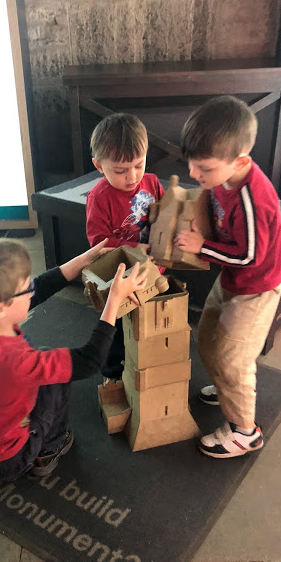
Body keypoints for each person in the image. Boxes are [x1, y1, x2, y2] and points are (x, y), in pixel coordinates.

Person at [0, 237, 148, 497]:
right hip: (10, 456)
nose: (32, 289)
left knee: (38, 368)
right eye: (25, 287)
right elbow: (88, 361)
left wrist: (83, 260)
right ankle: (46, 452)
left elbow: (40, 289)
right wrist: (114, 300)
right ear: (1, 308)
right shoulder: (18, 362)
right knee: (57, 378)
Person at [174, 95, 281, 459]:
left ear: (240, 161)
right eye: (192, 164)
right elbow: (210, 204)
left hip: (256, 290)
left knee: (233, 360)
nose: (195, 174)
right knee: (207, 338)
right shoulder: (221, 178)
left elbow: (250, 256)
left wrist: (202, 246)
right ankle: (224, 388)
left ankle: (244, 432)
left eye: (204, 168)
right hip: (231, 281)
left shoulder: (253, 199)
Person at [86, 113, 164, 380]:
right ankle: (112, 375)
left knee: (151, 326)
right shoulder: (99, 197)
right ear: (99, 165)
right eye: (120, 171)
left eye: (138, 165)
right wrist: (134, 249)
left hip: (153, 273)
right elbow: (98, 244)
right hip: (120, 278)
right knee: (118, 330)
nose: (132, 177)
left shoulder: (151, 182)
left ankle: (148, 369)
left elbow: (165, 214)